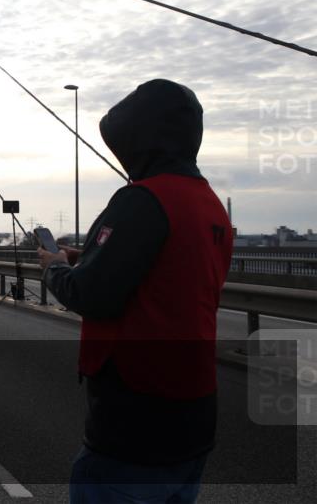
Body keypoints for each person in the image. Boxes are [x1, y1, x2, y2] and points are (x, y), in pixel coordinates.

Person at [38, 79, 232, 504]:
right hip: (195, 413)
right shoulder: (209, 203)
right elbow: (163, 272)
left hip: (136, 420)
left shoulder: (142, 200)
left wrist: (54, 269)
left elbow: (91, 296)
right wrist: (85, 257)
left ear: (137, 139)